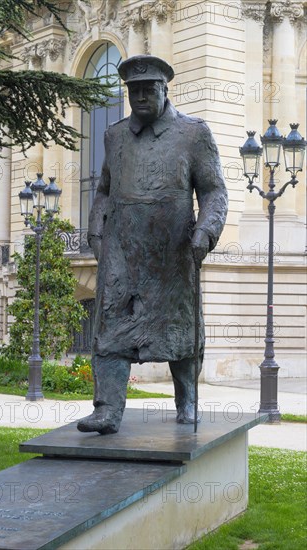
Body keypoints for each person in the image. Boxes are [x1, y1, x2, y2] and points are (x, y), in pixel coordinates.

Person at [77, 55, 228, 435]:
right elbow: (104, 191)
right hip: (122, 251)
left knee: (180, 329)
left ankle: (188, 400)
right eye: (134, 90)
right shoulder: (114, 135)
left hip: (173, 252)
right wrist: (96, 233)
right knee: (110, 329)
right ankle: (107, 409)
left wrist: (206, 233)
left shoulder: (194, 133)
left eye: (149, 89)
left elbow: (213, 191)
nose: (141, 96)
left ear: (165, 89)